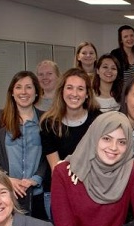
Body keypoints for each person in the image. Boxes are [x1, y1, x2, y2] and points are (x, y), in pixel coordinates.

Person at [0, 70, 49, 219]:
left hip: (37, 193)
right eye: (18, 87)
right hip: (7, 192)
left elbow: (49, 156)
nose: (23, 92)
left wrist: (35, 179)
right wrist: (6, 178)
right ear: (12, 92)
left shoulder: (46, 119)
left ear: (37, 92)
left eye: (29, 87)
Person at [40, 68, 101, 218]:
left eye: (80, 89)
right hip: (59, 191)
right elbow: (56, 168)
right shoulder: (49, 123)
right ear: (61, 91)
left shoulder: (98, 120)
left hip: (91, 191)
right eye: (69, 88)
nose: (74, 94)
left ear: (87, 94)